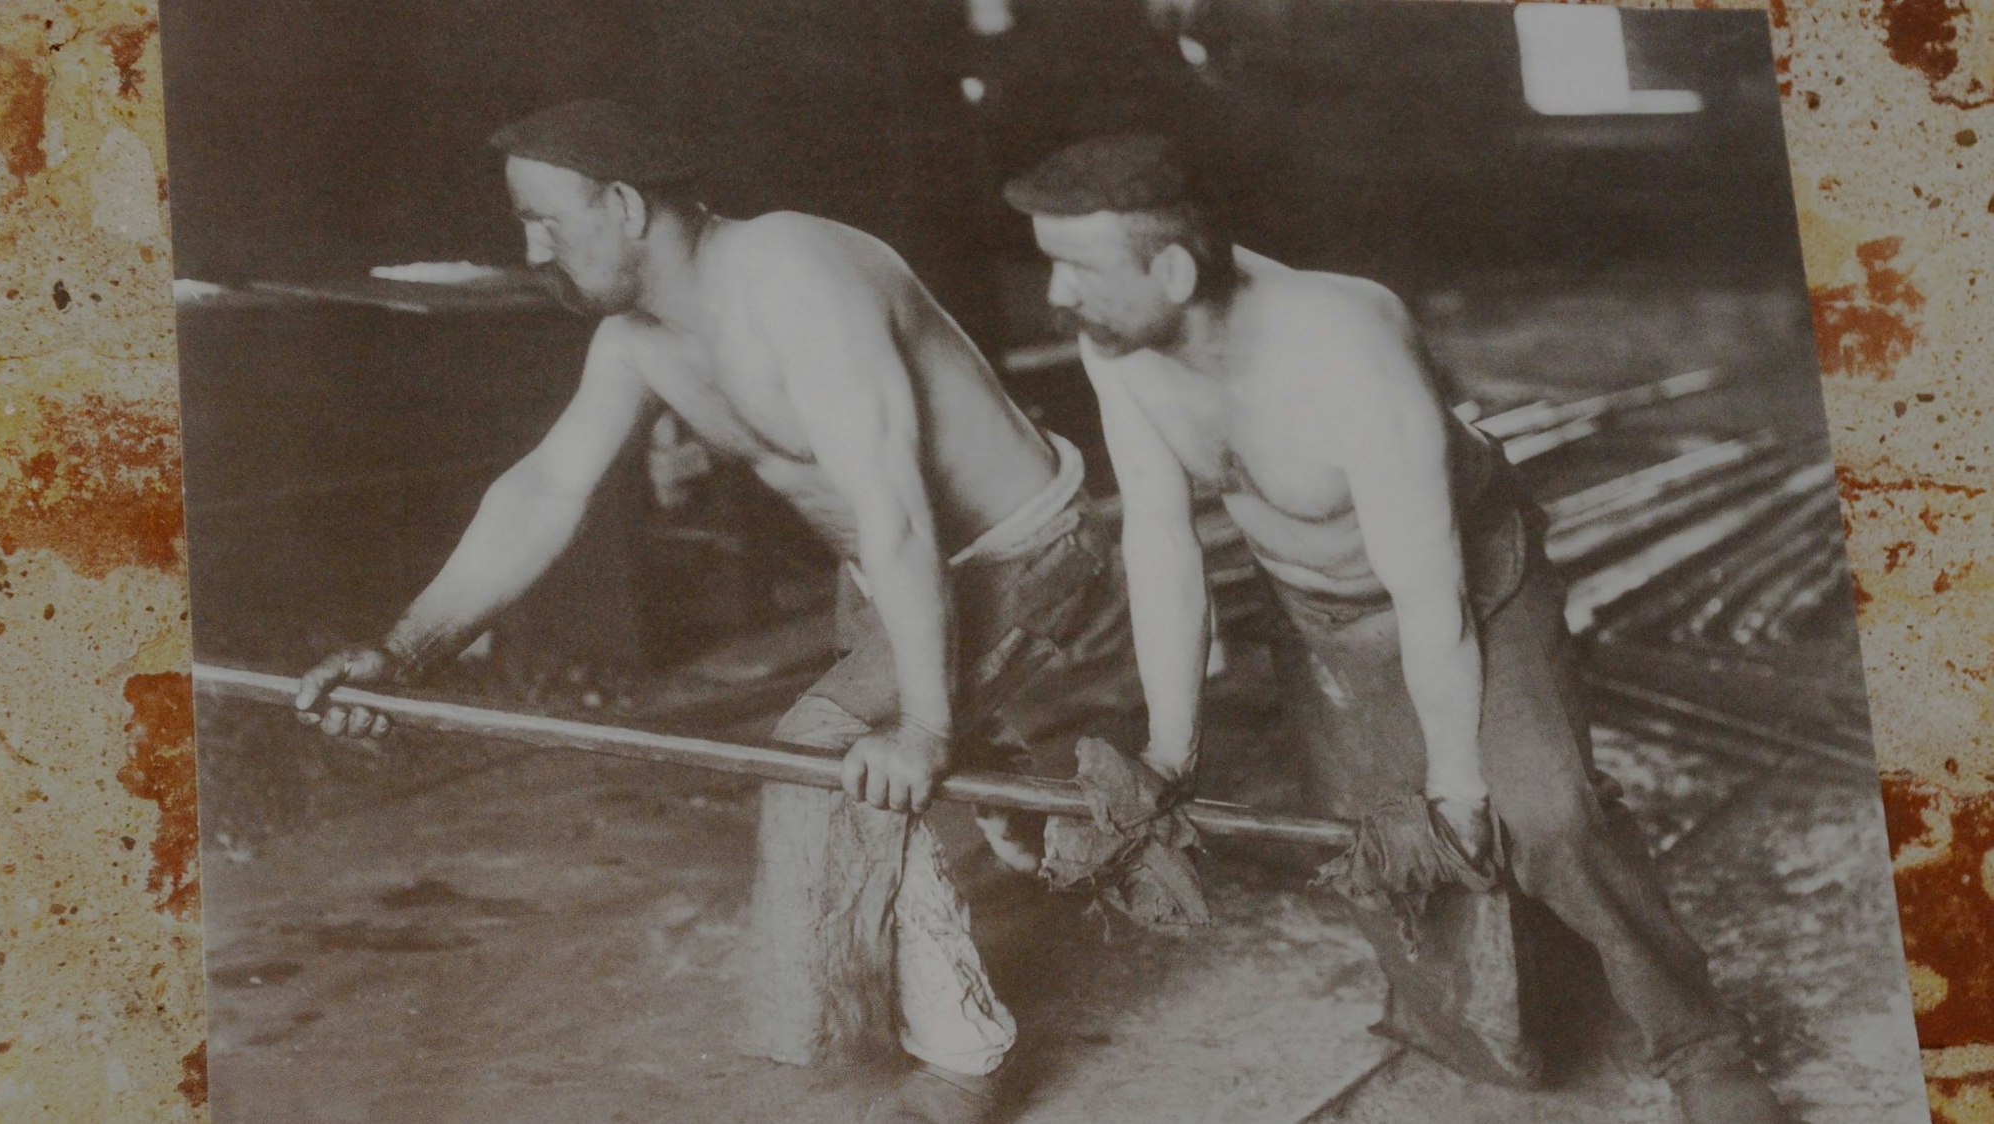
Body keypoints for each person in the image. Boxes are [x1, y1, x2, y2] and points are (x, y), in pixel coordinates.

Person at [293, 100, 1134, 1124]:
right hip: (884, 578)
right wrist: (402, 650)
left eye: (543, 219)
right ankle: (1010, 781)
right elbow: (544, 491)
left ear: (621, 204)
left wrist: (921, 726)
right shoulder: (636, 342)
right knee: (881, 742)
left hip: (1017, 549)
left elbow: (897, 507)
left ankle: (965, 1056)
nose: (529, 247)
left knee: (833, 751)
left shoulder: (795, 274)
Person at [1002, 131, 1791, 1124]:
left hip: (1466, 589)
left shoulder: (1345, 347)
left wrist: (1460, 779)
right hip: (1311, 613)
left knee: (1543, 817)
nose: (1056, 296)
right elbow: (1162, 540)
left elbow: (1432, 595)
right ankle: (1504, 987)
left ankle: (1700, 1044)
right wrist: (1169, 751)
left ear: (1168, 266)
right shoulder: (1120, 343)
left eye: (1076, 268)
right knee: (1389, 853)